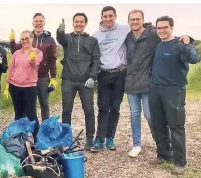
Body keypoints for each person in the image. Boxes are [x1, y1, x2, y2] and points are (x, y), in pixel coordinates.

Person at [149, 16, 198, 175]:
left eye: (165, 27)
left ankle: (180, 162)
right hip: (155, 89)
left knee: (176, 126)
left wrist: (187, 43)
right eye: (159, 28)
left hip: (174, 90)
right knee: (158, 124)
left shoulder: (179, 44)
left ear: (172, 27)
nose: (162, 30)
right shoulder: (158, 46)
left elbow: (194, 59)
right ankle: (163, 155)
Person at [56, 13, 101, 150]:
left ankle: (89, 139)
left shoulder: (92, 40)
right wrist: (60, 31)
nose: (79, 24)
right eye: (76, 21)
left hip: (85, 81)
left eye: (81, 22)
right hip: (68, 80)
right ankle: (66, 138)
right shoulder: (67, 38)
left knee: (89, 110)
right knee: (66, 110)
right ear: (73, 23)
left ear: (85, 23)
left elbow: (96, 60)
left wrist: (92, 77)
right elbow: (60, 38)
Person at [91, 6, 131, 152]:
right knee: (103, 107)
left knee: (115, 107)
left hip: (120, 73)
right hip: (104, 73)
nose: (108, 19)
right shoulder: (95, 35)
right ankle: (99, 140)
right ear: (101, 17)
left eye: (110, 16)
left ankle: (110, 138)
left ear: (115, 16)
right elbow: (92, 56)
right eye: (105, 16)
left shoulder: (124, 29)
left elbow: (143, 30)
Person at [124, 9, 161, 158]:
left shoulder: (152, 34)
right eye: (132, 19)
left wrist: (187, 39)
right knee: (134, 115)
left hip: (147, 82)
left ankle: (160, 143)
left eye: (137, 19)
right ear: (129, 21)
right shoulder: (128, 37)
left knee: (149, 114)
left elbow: (168, 39)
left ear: (143, 20)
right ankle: (136, 145)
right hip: (131, 83)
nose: (135, 21)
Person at [9, 13, 58, 123]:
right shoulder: (27, 38)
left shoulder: (50, 40)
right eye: (36, 21)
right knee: (29, 106)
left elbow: (52, 59)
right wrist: (12, 41)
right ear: (33, 23)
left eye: (41, 21)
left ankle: (45, 128)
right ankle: (26, 128)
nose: (38, 23)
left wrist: (53, 78)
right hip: (28, 78)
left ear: (44, 23)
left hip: (42, 76)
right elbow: (15, 52)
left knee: (44, 103)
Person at [7, 30, 44, 139]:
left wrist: (32, 60)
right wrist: (7, 84)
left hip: (29, 87)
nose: (24, 41)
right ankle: (20, 140)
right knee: (18, 114)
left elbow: (35, 65)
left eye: (27, 38)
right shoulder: (16, 53)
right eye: (22, 39)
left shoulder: (38, 52)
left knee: (31, 115)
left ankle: (37, 139)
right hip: (14, 86)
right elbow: (11, 68)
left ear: (32, 39)